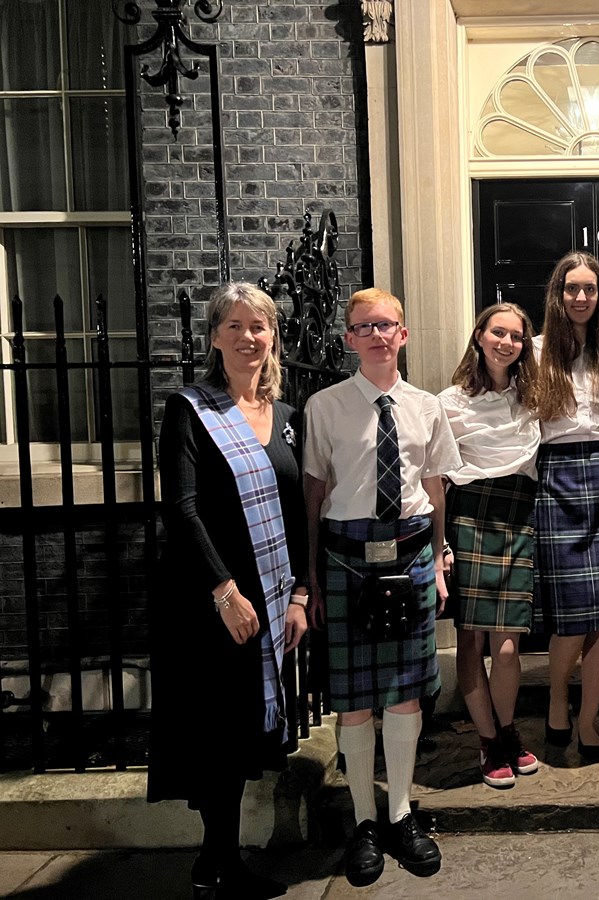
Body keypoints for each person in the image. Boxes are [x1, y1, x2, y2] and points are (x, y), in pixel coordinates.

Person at [150, 282, 309, 900]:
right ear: (215, 336)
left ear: (273, 337)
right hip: (211, 601)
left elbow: (298, 513)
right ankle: (214, 865)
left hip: (270, 598)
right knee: (213, 734)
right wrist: (224, 590)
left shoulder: (287, 418)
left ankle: (223, 861)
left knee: (243, 732)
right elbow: (182, 509)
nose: (249, 337)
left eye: (260, 326)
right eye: (235, 326)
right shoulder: (190, 410)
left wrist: (296, 596)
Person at [304, 287, 460, 886]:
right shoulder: (325, 406)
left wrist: (442, 561)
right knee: (354, 700)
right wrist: (311, 578)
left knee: (404, 693)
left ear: (403, 334)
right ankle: (364, 821)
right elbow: (314, 496)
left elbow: (438, 487)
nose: (375, 335)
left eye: (385, 325)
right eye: (363, 327)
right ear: (348, 338)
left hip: (413, 552)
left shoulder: (427, 406)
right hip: (346, 560)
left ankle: (400, 814)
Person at [534, 250, 599, 763]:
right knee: (570, 616)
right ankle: (556, 699)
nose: (580, 297)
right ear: (558, 293)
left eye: (589, 289)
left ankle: (589, 720)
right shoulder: (534, 352)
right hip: (554, 477)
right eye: (572, 288)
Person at [438, 302, 541, 788]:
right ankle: (488, 741)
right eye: (498, 332)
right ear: (479, 336)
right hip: (471, 514)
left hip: (518, 514)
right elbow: (436, 474)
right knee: (472, 640)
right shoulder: (450, 402)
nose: (507, 342)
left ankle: (507, 729)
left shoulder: (533, 396)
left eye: (516, 336)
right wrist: (441, 542)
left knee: (506, 649)